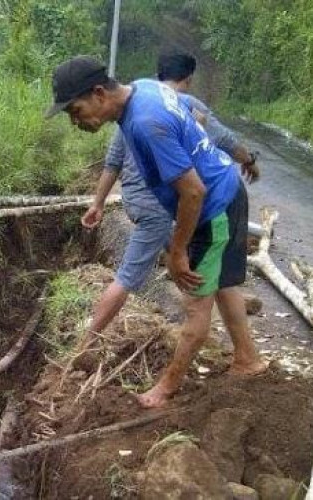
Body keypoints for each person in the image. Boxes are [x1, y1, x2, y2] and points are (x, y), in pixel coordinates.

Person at [47, 56, 267, 409]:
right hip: (227, 186)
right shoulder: (144, 90)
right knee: (223, 284)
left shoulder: (147, 122)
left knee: (195, 301)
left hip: (213, 207)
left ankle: (166, 388)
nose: (75, 121)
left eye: (75, 110)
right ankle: (248, 359)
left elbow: (193, 192)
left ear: (99, 93)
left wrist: (177, 252)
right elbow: (195, 123)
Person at [80, 52, 260, 347]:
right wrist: (250, 160)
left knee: (208, 273)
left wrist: (98, 203)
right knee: (141, 274)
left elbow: (113, 162)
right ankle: (85, 345)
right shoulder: (173, 104)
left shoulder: (140, 94)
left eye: (76, 112)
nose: (77, 121)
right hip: (166, 206)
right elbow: (223, 142)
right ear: (188, 79)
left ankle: (243, 353)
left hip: (148, 203)